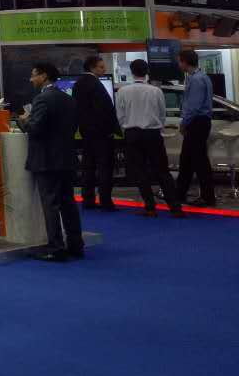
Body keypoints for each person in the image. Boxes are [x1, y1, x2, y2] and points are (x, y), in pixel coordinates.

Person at [18, 63, 84, 262]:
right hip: (66, 158)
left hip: (47, 160)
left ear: (44, 76)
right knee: (68, 202)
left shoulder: (42, 99)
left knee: (50, 204)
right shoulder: (68, 99)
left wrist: (24, 120)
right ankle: (75, 244)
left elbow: (35, 128)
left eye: (33, 75)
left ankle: (55, 247)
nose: (31, 79)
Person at [116, 59, 183, 218]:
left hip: (132, 134)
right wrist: (158, 127)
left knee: (140, 172)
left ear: (132, 72)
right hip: (152, 134)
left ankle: (150, 207)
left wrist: (127, 128)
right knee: (162, 171)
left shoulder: (123, 91)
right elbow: (162, 113)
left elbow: (120, 115)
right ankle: (175, 208)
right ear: (147, 72)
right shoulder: (156, 91)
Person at [75, 55, 120, 211]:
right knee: (104, 168)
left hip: (86, 133)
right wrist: (111, 130)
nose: (104, 69)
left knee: (88, 167)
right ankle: (106, 201)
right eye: (101, 67)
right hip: (101, 134)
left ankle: (88, 200)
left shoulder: (79, 83)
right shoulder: (95, 84)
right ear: (92, 67)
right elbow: (104, 110)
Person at [175, 48, 216, 206]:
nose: (179, 64)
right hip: (200, 121)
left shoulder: (197, 80)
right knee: (187, 159)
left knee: (199, 161)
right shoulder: (200, 77)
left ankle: (207, 197)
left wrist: (184, 123)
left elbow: (194, 106)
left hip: (197, 122)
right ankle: (180, 194)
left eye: (179, 61)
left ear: (185, 62)